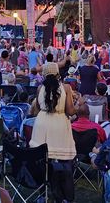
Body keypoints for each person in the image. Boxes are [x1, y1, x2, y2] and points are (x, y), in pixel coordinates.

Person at [30, 63, 77, 201]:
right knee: (62, 159)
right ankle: (62, 190)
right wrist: (77, 105)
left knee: (43, 157)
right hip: (59, 124)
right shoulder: (66, 87)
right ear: (57, 73)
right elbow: (70, 111)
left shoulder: (40, 88)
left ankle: (43, 189)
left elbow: (37, 109)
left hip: (42, 124)